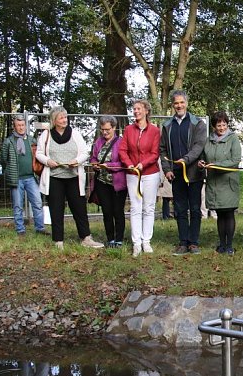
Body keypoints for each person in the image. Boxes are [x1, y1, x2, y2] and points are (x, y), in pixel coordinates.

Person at [36, 106, 105, 250]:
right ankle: (58, 240)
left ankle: (86, 238)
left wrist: (77, 161)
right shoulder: (46, 135)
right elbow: (39, 153)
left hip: (73, 177)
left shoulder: (75, 134)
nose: (64, 120)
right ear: (54, 120)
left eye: (65, 117)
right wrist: (48, 161)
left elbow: (85, 153)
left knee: (79, 208)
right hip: (54, 178)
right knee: (56, 209)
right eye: (61, 117)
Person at [160, 89, 208, 255]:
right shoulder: (167, 125)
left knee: (195, 208)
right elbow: (163, 149)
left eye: (182, 102)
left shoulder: (198, 123)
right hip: (176, 174)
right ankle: (183, 242)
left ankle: (193, 242)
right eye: (176, 103)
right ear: (173, 105)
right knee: (179, 209)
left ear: (186, 103)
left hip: (194, 173)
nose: (179, 105)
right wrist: (167, 169)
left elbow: (199, 146)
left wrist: (186, 160)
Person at [120, 99, 162, 257]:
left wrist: (142, 164)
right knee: (135, 207)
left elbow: (154, 153)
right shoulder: (129, 129)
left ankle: (146, 241)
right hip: (132, 174)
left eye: (139, 108)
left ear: (146, 111)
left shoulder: (154, 131)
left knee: (148, 208)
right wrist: (129, 164)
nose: (136, 111)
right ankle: (136, 242)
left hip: (150, 173)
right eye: (134, 109)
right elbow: (123, 150)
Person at [198, 111, 242, 254]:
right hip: (214, 182)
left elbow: (235, 160)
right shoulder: (208, 140)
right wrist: (202, 162)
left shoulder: (233, 139)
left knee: (228, 213)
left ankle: (229, 245)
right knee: (220, 213)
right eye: (218, 125)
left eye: (224, 124)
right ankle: (222, 244)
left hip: (228, 182)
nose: (221, 127)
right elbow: (204, 156)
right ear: (213, 126)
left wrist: (216, 165)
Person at [1, 116, 46, 237]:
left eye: (22, 125)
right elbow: (3, 160)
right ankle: (20, 230)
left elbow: (38, 157)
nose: (21, 127)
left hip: (31, 177)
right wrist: (9, 171)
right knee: (17, 205)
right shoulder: (9, 141)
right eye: (18, 125)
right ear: (14, 127)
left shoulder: (32, 140)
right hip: (17, 179)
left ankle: (40, 228)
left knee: (37, 203)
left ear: (25, 126)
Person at [89, 116, 127, 248]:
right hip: (101, 182)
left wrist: (109, 165)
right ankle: (110, 238)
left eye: (108, 129)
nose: (105, 132)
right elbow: (93, 157)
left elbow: (124, 162)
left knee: (118, 211)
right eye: (102, 129)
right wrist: (94, 164)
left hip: (117, 183)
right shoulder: (98, 142)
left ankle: (119, 239)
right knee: (107, 211)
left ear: (114, 128)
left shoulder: (121, 142)